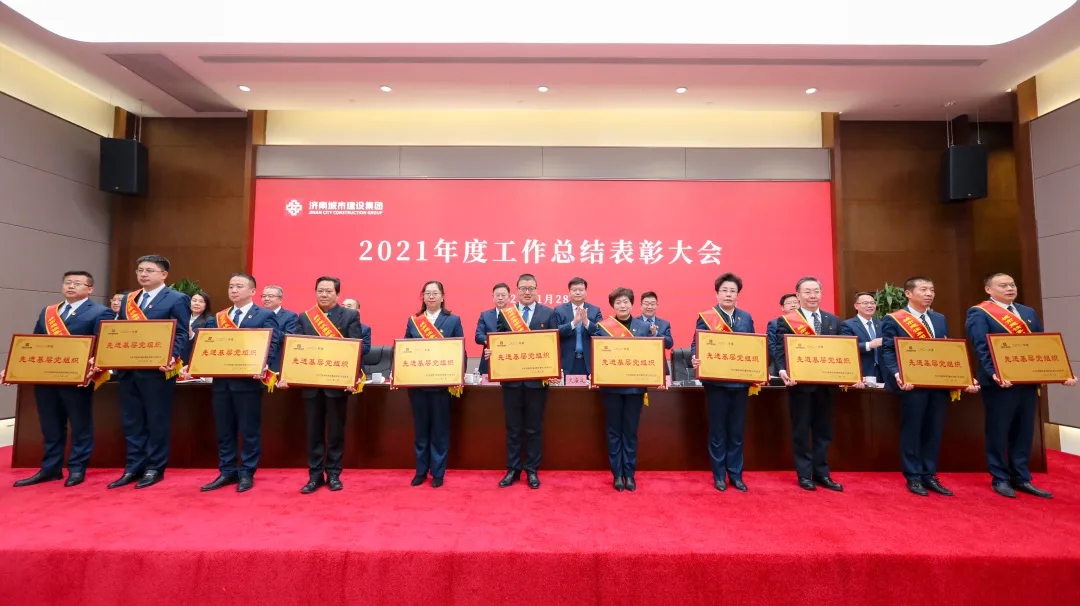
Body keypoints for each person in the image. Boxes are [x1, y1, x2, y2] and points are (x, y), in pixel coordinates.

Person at [966, 272, 1077, 498]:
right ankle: (999, 477)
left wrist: (1060, 372)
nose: (1010, 288)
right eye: (1003, 285)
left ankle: (1021, 477)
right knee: (999, 430)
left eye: (1012, 284)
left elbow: (1041, 346)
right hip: (1000, 383)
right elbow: (981, 347)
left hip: (1027, 382)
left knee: (1024, 431)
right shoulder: (979, 312)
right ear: (988, 289)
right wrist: (995, 373)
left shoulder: (1027, 312)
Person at [7, 271, 113, 488]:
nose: (71, 286)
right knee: (50, 425)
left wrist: (93, 367)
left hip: (76, 379)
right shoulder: (48, 312)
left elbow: (103, 345)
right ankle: (50, 468)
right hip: (46, 378)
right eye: (67, 283)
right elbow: (34, 343)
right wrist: (14, 368)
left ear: (90, 289)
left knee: (80, 425)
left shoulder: (101, 312)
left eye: (77, 283)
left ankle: (77, 468)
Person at [881, 277, 977, 497]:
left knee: (933, 431)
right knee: (912, 431)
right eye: (923, 289)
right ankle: (913, 476)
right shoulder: (894, 319)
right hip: (912, 385)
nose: (929, 294)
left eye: (932, 290)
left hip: (937, 383)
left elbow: (947, 349)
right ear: (908, 293)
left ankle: (929, 475)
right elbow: (887, 350)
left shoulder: (939, 318)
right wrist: (898, 374)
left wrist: (963, 376)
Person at [186, 274, 281, 493]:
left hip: (248, 384)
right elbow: (207, 346)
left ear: (252, 291)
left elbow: (273, 342)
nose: (234, 290)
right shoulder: (218, 318)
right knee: (224, 430)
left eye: (239, 286)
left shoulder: (264, 315)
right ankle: (227, 471)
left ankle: (247, 472)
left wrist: (264, 364)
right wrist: (194, 365)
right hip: (222, 384)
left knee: (249, 430)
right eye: (231, 286)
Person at [108, 255, 189, 490]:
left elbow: (181, 332)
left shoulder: (177, 298)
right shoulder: (129, 299)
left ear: (163, 274)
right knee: (132, 421)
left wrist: (171, 356)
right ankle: (133, 467)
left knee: (156, 421)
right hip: (129, 370)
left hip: (157, 371)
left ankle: (155, 467)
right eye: (140, 270)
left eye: (149, 270)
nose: (143, 274)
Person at [277, 276, 362, 494]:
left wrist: (352, 377)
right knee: (313, 431)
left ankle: (333, 473)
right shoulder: (305, 317)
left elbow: (355, 349)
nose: (324, 295)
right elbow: (296, 347)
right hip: (311, 385)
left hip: (337, 385)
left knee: (335, 432)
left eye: (328, 291)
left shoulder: (350, 316)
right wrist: (287, 374)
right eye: (320, 291)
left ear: (337, 294)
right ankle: (315, 475)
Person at [770, 276, 853, 492]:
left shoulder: (832, 320)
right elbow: (779, 349)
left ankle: (822, 473)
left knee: (824, 431)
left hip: (827, 385)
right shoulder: (787, 320)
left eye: (816, 291)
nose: (812, 295)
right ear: (798, 295)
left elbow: (842, 349)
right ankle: (804, 474)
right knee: (801, 431)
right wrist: (783, 370)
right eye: (807, 292)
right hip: (800, 384)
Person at [690, 273, 755, 492]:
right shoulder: (707, 317)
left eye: (732, 291)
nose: (728, 294)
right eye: (724, 290)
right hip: (716, 384)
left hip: (740, 383)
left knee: (736, 431)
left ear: (738, 295)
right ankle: (719, 475)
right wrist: (695, 357)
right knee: (718, 431)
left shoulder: (746, 317)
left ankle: (736, 475)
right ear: (717, 293)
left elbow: (753, 345)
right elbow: (696, 344)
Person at [492, 273, 558, 489]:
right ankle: (513, 469)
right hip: (511, 382)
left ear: (537, 290)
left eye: (531, 288)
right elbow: (498, 341)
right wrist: (492, 352)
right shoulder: (506, 314)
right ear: (516, 291)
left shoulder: (548, 313)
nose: (527, 292)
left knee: (533, 428)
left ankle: (531, 470)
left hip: (536, 382)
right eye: (523, 288)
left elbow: (553, 344)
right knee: (513, 428)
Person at [403, 280, 465, 488]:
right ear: (422, 296)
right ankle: (421, 471)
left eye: (435, 293)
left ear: (442, 296)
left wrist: (458, 375)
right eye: (427, 293)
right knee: (421, 430)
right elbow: (404, 350)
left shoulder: (453, 320)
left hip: (441, 386)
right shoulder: (414, 321)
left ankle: (438, 472)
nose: (431, 296)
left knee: (439, 430)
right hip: (418, 385)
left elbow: (461, 351)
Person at [593, 287, 652, 492]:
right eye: (618, 302)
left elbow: (650, 354)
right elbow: (597, 353)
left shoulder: (643, 327)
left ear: (632, 304)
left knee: (630, 432)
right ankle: (617, 474)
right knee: (613, 431)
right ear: (613, 306)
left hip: (634, 389)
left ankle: (630, 473)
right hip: (611, 388)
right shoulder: (603, 328)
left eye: (625, 301)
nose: (622, 305)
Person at [555, 277, 603, 377]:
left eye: (581, 290)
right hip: (567, 362)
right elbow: (556, 333)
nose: (578, 292)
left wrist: (586, 322)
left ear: (586, 292)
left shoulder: (595, 310)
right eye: (574, 290)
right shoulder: (559, 310)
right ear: (569, 292)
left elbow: (600, 333)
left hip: (589, 362)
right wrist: (574, 323)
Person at [841, 292, 883, 383]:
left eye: (872, 303)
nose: (870, 306)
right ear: (856, 306)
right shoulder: (848, 325)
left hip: (882, 373)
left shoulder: (881, 324)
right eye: (865, 303)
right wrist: (870, 345)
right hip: (862, 372)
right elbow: (847, 347)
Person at [475, 282, 511, 376]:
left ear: (509, 297)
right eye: (497, 295)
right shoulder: (485, 315)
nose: (500, 298)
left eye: (503, 295)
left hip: (510, 360)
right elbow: (478, 336)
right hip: (489, 359)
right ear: (493, 297)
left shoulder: (515, 315)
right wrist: (491, 342)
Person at [767, 294, 799, 379]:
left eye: (795, 302)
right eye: (789, 303)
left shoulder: (808, 323)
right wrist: (785, 363)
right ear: (782, 308)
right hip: (781, 367)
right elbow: (772, 347)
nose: (793, 305)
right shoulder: (774, 323)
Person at [181, 290, 212, 364]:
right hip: (179, 360)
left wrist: (192, 335)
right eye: (194, 300)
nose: (197, 303)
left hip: (194, 361)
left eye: (201, 301)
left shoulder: (210, 321)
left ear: (206, 305)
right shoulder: (183, 318)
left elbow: (208, 343)